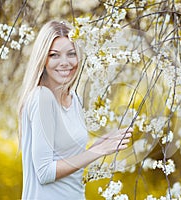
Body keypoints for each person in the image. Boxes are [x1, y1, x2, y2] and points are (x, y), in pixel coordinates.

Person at [17, 20, 133, 200]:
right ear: (43, 59)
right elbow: (45, 172)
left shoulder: (74, 98)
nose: (65, 62)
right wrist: (98, 151)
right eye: (54, 55)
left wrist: (101, 143)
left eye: (71, 54)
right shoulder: (42, 98)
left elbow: (70, 158)